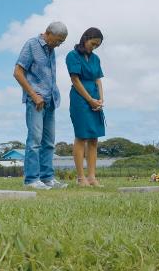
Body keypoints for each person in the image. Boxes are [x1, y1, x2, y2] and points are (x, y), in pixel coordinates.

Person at [13, 22, 69, 190]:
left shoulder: (51, 50)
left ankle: (47, 178)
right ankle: (31, 180)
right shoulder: (32, 45)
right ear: (48, 33)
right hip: (35, 100)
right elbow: (17, 72)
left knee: (49, 142)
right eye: (58, 40)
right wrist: (33, 95)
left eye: (62, 42)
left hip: (50, 100)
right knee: (35, 141)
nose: (59, 44)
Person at [66, 27, 105, 187]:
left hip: (95, 99)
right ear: (85, 38)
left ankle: (92, 177)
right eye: (93, 43)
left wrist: (100, 99)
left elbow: (98, 79)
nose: (94, 47)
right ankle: (81, 178)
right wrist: (89, 100)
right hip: (80, 99)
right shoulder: (72, 55)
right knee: (81, 136)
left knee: (94, 138)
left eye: (97, 45)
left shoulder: (96, 59)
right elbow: (75, 80)